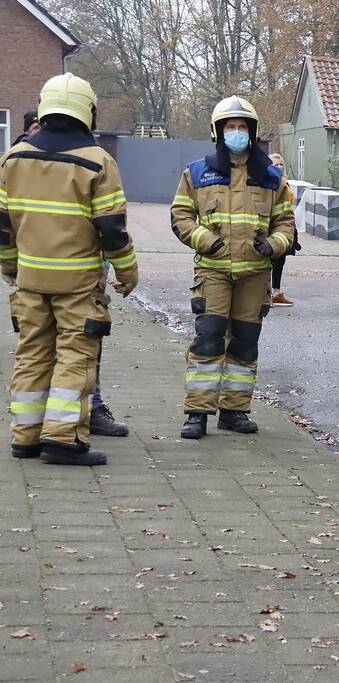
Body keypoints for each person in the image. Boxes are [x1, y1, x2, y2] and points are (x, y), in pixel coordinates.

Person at [0, 73, 139, 465]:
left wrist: (11, 267)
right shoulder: (97, 162)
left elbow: (2, 225)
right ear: (87, 112)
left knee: (31, 354)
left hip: (29, 280)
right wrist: (128, 273)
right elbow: (112, 230)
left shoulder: (13, 158)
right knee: (74, 355)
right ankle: (62, 439)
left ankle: (25, 437)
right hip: (77, 283)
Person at [171, 96, 295, 439]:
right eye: (230, 127)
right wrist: (203, 239)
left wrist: (274, 245)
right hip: (212, 271)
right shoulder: (197, 172)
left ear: (251, 132)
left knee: (244, 343)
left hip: (255, 274)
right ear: (218, 131)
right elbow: (180, 216)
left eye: (242, 127)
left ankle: (234, 411)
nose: (236, 132)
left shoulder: (271, 178)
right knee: (208, 340)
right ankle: (197, 412)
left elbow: (287, 224)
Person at [267, 153, 299, 306]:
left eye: (281, 164)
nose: (279, 167)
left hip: (285, 225)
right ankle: (264, 294)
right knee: (268, 261)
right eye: (275, 164)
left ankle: (276, 293)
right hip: (270, 226)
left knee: (280, 260)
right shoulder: (266, 182)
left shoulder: (284, 182)